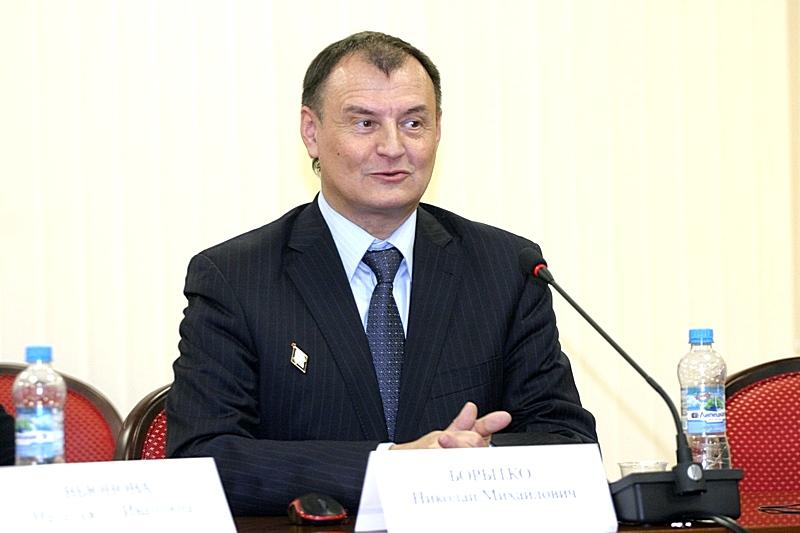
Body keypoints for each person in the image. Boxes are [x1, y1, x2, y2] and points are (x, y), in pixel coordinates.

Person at [166, 31, 597, 516]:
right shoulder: (235, 277)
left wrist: (470, 462)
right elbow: (202, 456)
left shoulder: (506, 267)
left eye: (413, 123)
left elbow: (569, 441)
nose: (393, 147)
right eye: (365, 122)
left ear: (438, 131)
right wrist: (391, 466)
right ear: (311, 131)